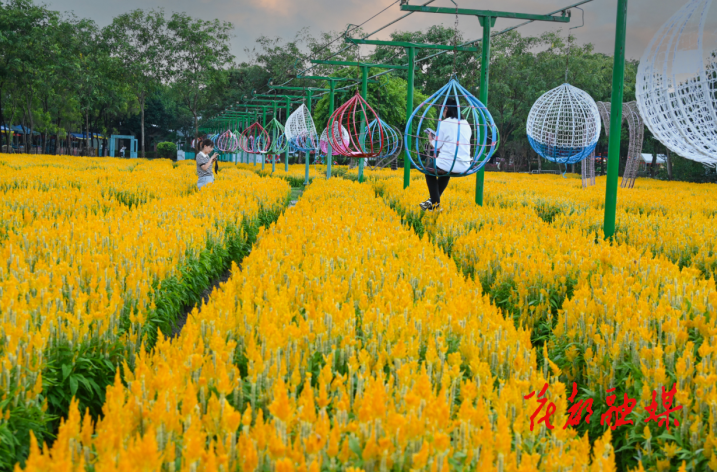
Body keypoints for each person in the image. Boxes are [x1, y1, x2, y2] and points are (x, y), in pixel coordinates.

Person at [420, 97, 472, 211]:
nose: (442, 114)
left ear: (446, 108)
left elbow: (437, 146)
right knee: (444, 173)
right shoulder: (466, 123)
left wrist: (431, 139)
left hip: (449, 163)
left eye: (442, 110)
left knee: (428, 171)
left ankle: (435, 204)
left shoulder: (445, 123)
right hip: (464, 165)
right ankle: (431, 202)